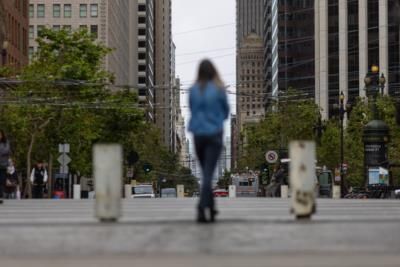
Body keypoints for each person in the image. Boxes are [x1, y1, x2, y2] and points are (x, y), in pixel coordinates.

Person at [188, 59, 230, 223]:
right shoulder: (219, 89)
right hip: (214, 133)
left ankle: (211, 208)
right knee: (207, 173)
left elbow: (192, 109)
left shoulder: (193, 90)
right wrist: (217, 119)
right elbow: (226, 111)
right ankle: (201, 207)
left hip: (198, 134)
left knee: (206, 172)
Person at [0, 130, 11, 204]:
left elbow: (7, 150)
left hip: (3, 165)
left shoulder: (6, 142)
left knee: (2, 181)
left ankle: (0, 196)